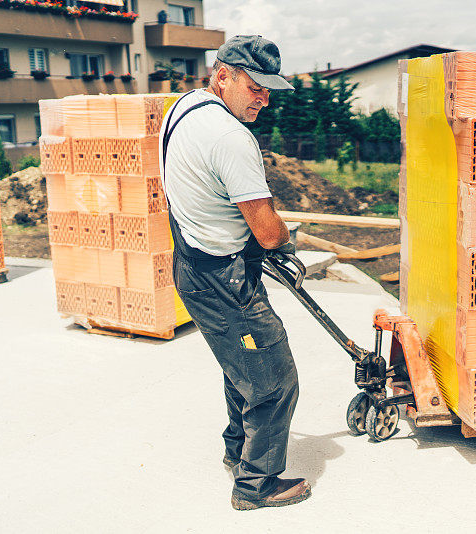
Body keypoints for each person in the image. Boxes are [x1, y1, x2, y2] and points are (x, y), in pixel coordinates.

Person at [159, 35, 310, 511]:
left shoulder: (181, 109)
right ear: (222, 76)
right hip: (225, 279)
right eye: (255, 87)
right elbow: (267, 232)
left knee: (242, 364)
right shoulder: (231, 139)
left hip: (193, 264)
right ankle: (256, 485)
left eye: (270, 89)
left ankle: (236, 450)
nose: (265, 99)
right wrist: (287, 238)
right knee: (275, 379)